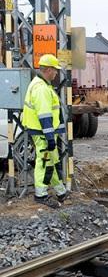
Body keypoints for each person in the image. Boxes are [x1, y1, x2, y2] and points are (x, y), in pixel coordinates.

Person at [22, 54, 67, 208]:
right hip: (42, 133)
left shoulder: (41, 84)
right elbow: (44, 116)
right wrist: (50, 138)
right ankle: (40, 195)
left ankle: (60, 191)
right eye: (55, 70)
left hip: (43, 132)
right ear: (48, 70)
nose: (56, 73)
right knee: (44, 163)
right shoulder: (41, 88)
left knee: (51, 161)